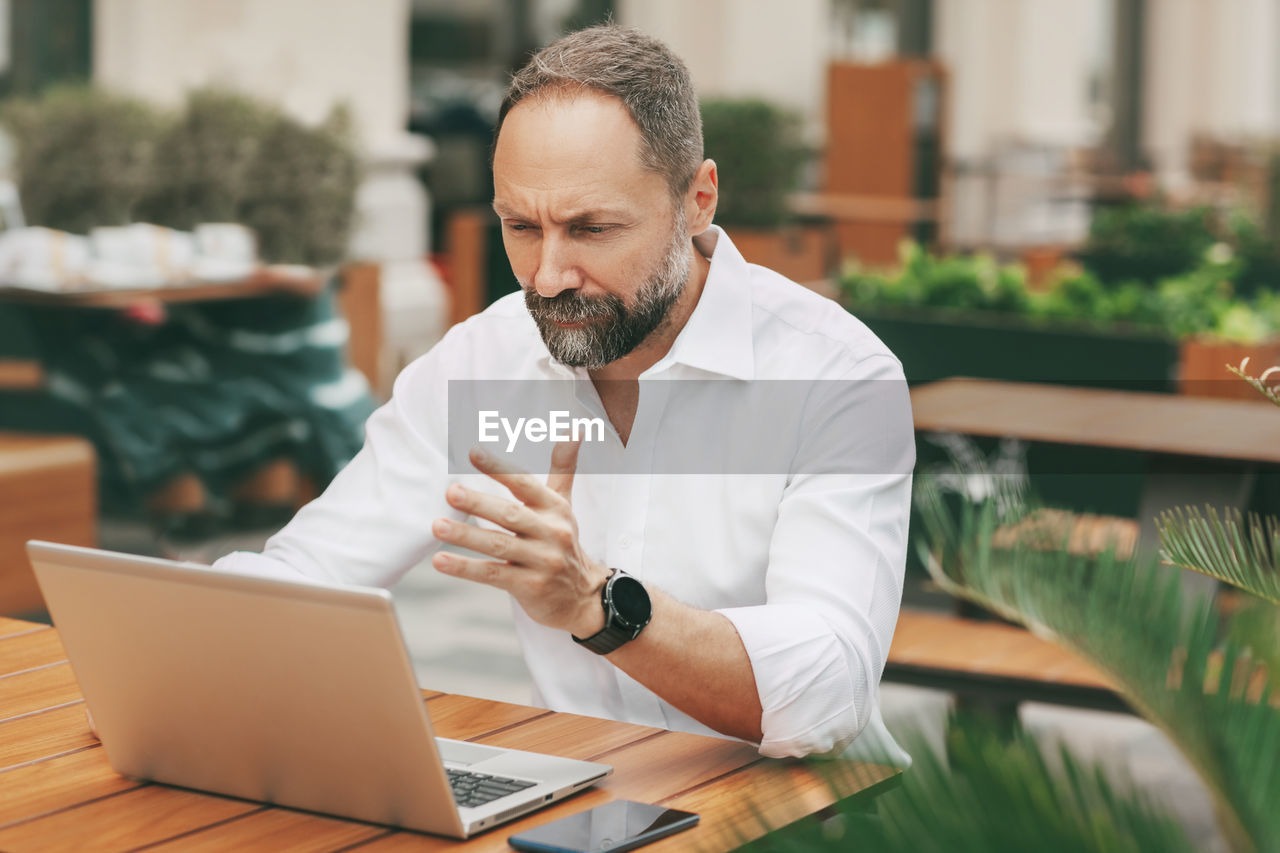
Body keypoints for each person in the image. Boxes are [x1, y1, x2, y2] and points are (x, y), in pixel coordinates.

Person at [215, 24, 914, 762]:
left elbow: (828, 692)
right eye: (521, 227)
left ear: (698, 199)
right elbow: (306, 575)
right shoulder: (484, 361)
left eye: (591, 228)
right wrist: (173, 642)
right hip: (591, 802)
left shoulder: (835, 376)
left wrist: (596, 603)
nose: (547, 277)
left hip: (803, 820)